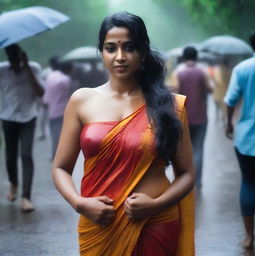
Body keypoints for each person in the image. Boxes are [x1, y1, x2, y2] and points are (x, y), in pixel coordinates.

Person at [52, 12, 195, 256]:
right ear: (102, 53)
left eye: (129, 47)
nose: (120, 57)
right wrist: (79, 203)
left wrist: (155, 205)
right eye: (110, 48)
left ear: (143, 52)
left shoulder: (169, 105)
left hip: (155, 222)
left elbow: (187, 174)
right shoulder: (81, 100)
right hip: (99, 225)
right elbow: (60, 168)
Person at [0, 44, 44, 212]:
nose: (13, 59)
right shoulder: (2, 70)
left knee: (26, 155)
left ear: (21, 54)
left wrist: (26, 67)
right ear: (6, 55)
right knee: (10, 157)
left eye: (15, 55)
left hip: (28, 117)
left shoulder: (34, 68)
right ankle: (14, 183)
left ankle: (26, 197)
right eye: (9, 56)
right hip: (7, 117)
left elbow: (40, 92)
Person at [224, 32, 255, 250]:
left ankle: (249, 237)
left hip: (247, 137)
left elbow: (231, 99)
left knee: (249, 183)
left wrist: (228, 123)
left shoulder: (243, 68)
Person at [169, 46, 212, 188]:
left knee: (182, 149)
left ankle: (183, 180)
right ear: (196, 57)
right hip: (200, 116)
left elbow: (174, 91)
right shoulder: (202, 72)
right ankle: (197, 181)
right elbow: (209, 89)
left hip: (183, 117)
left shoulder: (178, 73)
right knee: (198, 149)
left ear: (184, 57)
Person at [43, 59, 73, 158]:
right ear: (68, 69)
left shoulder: (51, 76)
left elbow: (47, 94)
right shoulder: (65, 79)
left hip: (51, 109)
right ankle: (59, 156)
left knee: (54, 134)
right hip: (62, 110)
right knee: (61, 135)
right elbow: (69, 94)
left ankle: (54, 154)